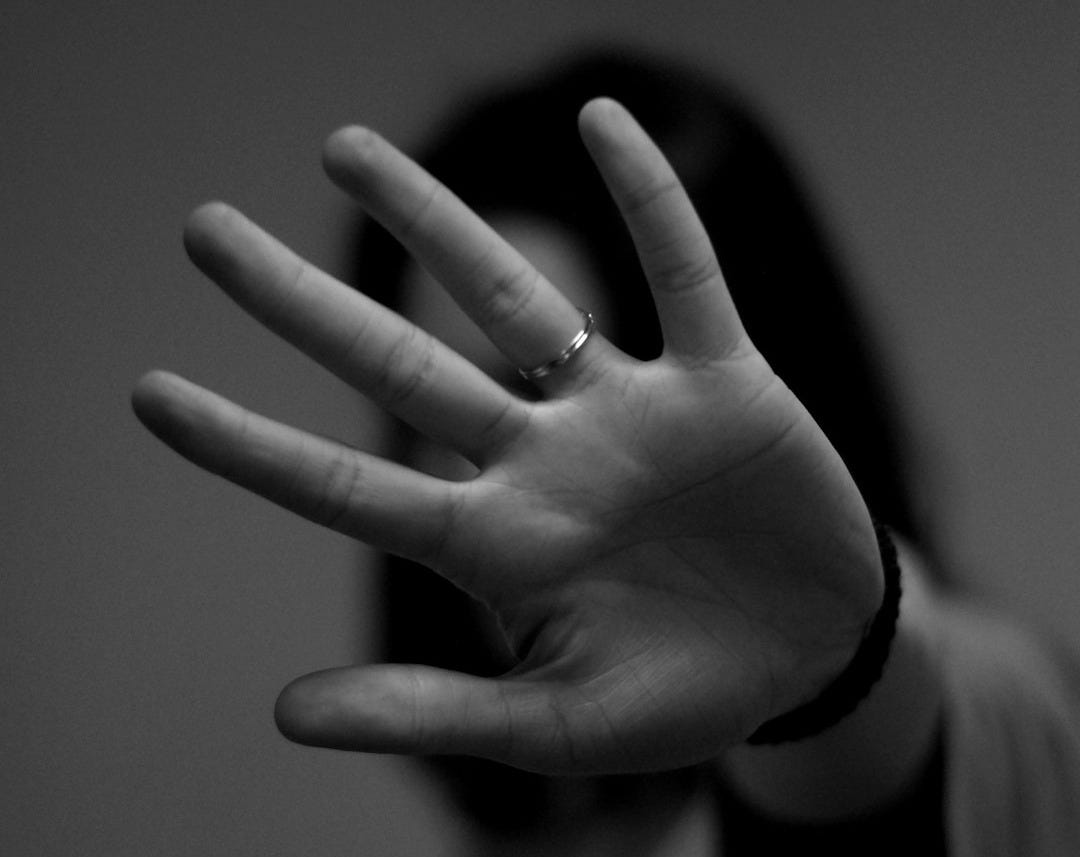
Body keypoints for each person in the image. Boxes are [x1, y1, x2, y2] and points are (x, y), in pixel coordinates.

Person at [132, 48, 1080, 856]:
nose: (466, 475)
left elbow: (877, 773)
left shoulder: (991, 702)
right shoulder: (564, 804)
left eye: (542, 395)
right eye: (441, 405)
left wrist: (832, 683)